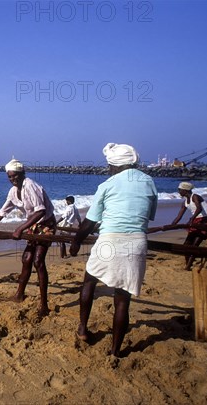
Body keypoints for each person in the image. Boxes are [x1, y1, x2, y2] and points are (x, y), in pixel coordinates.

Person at [70, 143, 158, 358]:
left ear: (115, 166)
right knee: (122, 299)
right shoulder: (148, 182)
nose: (108, 169)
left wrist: (75, 242)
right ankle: (115, 352)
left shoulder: (108, 184)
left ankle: (83, 328)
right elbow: (146, 216)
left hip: (109, 241)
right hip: (136, 243)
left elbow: (89, 223)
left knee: (89, 281)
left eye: (109, 165)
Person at [0, 159, 56, 316]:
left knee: (38, 262)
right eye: (10, 177)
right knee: (26, 259)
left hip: (46, 224)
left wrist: (20, 228)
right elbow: (1, 213)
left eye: (16, 176)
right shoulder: (13, 192)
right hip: (32, 225)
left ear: (22, 174)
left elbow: (40, 211)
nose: (13, 179)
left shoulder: (30, 185)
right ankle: (19, 294)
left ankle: (44, 305)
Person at [168, 182, 207, 271]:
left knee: (194, 246)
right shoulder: (185, 202)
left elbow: (199, 208)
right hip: (195, 222)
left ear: (185, 190)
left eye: (179, 190)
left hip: (204, 222)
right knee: (186, 245)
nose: (178, 192)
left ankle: (188, 266)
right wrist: (171, 225)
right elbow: (179, 216)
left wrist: (192, 218)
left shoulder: (195, 196)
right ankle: (188, 263)